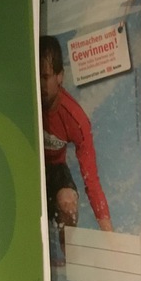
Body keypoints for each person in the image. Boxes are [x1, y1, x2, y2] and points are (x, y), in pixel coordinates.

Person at [39, 35, 113, 261]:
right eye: (36, 76)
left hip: (54, 169)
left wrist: (110, 238)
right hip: (28, 165)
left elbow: (91, 180)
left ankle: (68, 257)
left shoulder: (75, 119)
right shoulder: (25, 104)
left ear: (60, 76)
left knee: (68, 202)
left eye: (45, 77)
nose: (40, 85)